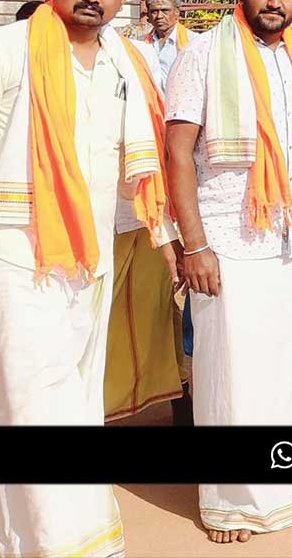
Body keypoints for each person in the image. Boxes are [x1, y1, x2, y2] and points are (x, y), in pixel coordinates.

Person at [0, 0, 175, 557]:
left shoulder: (125, 60)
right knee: (29, 404)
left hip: (89, 256)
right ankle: (55, 545)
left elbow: (134, 163)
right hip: (14, 253)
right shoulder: (3, 48)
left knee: (71, 402)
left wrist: (164, 233)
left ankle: (54, 538)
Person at [165, 0, 292, 543]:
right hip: (226, 240)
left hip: (289, 238)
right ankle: (231, 502)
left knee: (284, 368)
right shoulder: (205, 55)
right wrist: (194, 244)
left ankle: (284, 489)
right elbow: (177, 153)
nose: (277, 4)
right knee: (228, 371)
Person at [104, 28, 192, 427]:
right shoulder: (27, 54)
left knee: (158, 314)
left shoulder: (134, 53)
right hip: (83, 219)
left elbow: (159, 124)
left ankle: (180, 406)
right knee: (93, 325)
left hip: (143, 211)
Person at [142, 0, 190, 88]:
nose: (159, 16)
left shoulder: (192, 42)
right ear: (148, 15)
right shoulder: (141, 43)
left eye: (165, 11)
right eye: (154, 11)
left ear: (177, 12)